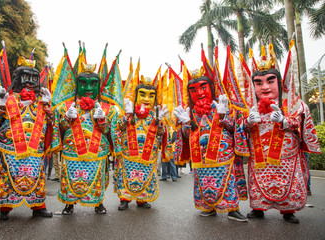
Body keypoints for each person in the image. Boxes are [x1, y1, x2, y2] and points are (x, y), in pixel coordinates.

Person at [244, 52, 321, 224]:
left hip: (286, 157)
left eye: (270, 81)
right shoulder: (249, 105)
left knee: (288, 181)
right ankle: (258, 208)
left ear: (279, 82)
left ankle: (288, 210)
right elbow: (240, 128)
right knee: (258, 182)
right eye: (258, 83)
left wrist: (285, 120)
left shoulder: (293, 103)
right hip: (259, 157)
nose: (264, 87)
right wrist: (247, 123)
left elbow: (301, 122)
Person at [0, 56, 53, 220]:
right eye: (26, 78)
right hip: (10, 149)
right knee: (6, 176)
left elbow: (49, 123)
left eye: (34, 78)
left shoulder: (40, 101)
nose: (30, 82)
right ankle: (5, 207)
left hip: (33, 150)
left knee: (37, 178)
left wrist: (48, 107)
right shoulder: (8, 99)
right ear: (18, 79)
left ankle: (38, 206)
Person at [174, 70, 248, 221]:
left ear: (211, 87)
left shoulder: (221, 105)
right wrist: (186, 123)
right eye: (193, 90)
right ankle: (208, 207)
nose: (199, 93)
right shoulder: (191, 112)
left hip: (222, 154)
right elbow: (187, 135)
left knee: (228, 181)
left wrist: (223, 116)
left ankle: (232, 209)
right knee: (203, 182)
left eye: (203, 87)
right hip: (200, 156)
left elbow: (234, 126)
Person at [51, 64, 119, 215]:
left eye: (93, 84)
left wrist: (102, 121)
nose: (88, 88)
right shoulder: (65, 107)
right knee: (70, 177)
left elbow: (110, 131)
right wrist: (67, 118)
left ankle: (98, 203)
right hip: (72, 152)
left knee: (97, 178)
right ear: (76, 86)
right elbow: (60, 128)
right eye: (83, 84)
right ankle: (69, 204)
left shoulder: (108, 109)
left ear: (99, 87)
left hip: (97, 153)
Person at [115, 76, 168, 210]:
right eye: (142, 95)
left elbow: (161, 133)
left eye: (151, 96)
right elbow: (119, 128)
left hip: (148, 154)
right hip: (128, 154)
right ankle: (125, 199)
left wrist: (159, 122)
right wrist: (126, 117)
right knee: (126, 174)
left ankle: (141, 199)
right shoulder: (129, 112)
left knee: (145, 175)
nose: (146, 99)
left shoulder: (156, 114)